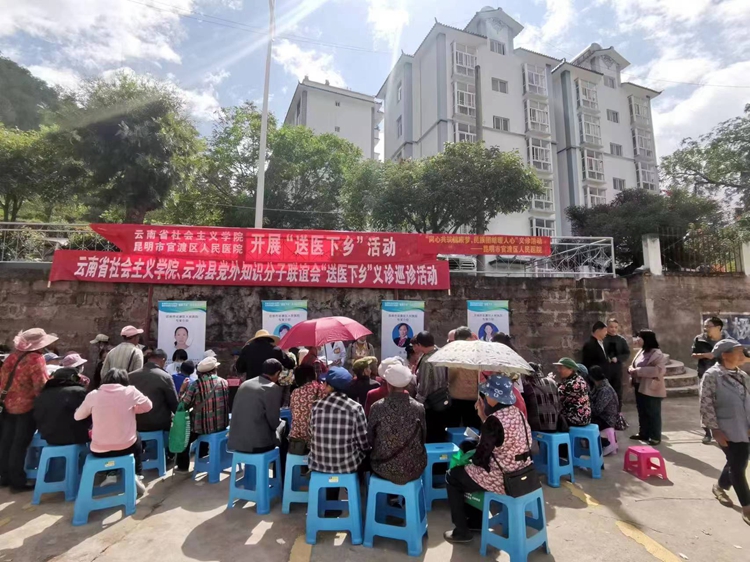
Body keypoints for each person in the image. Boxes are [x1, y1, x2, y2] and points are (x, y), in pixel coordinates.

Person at [444, 375, 534, 544]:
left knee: (454, 476)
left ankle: (462, 531)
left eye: (487, 394)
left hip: (503, 478)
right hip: (523, 473)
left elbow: (479, 459)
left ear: (494, 397)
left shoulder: (494, 420)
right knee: (471, 471)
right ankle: (476, 521)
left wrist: (471, 456)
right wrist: (482, 416)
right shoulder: (517, 414)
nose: (485, 397)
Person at [74, 368, 152, 495]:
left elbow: (78, 417)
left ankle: (110, 473)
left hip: (99, 450)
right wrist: (133, 409)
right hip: (126, 448)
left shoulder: (93, 395)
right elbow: (148, 406)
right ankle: (137, 474)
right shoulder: (130, 391)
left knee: (106, 444)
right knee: (136, 437)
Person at [700, 339, 750, 526]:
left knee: (735, 461)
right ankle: (747, 507)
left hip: (745, 427)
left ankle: (719, 487)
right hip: (726, 429)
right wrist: (715, 430)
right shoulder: (712, 376)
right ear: (725, 355)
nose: (742, 355)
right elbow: (706, 404)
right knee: (738, 466)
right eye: (738, 351)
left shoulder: (742, 375)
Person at [0, 328, 55, 492]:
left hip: (7, 404)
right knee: (20, 444)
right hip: (26, 407)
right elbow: (40, 386)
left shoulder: (12, 357)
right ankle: (17, 481)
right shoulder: (36, 359)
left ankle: (4, 477)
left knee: (6, 441)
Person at [368, 363, 427, 485]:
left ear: (388, 385)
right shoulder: (419, 408)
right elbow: (423, 438)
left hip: (383, 467)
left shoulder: (377, 407)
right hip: (414, 467)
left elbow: (370, 439)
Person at [308, 367, 369, 474]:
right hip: (347, 466)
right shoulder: (355, 408)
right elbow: (363, 442)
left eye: (324, 383)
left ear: (329, 387)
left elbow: (310, 433)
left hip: (318, 464)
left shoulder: (316, 406)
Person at [175, 356, 230, 473]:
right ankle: (202, 456)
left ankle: (183, 467)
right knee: (203, 425)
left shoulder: (196, 385)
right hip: (222, 425)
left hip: (203, 428)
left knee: (184, 436)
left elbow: (183, 405)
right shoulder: (224, 382)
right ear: (214, 369)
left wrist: (182, 390)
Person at [229, 359, 286, 462]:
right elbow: (274, 423)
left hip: (236, 442)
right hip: (258, 444)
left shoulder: (245, 384)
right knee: (285, 429)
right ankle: (282, 471)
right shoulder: (272, 388)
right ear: (277, 373)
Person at [629, 329, 667, 446]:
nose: (637, 340)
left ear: (646, 339)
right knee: (642, 411)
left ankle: (655, 436)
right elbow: (634, 364)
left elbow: (659, 370)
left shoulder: (657, 354)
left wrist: (637, 371)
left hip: (651, 387)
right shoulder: (642, 351)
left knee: (653, 412)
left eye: (639, 337)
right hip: (639, 385)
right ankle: (644, 433)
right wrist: (631, 369)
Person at [34, 366, 90, 446]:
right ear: (73, 377)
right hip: (75, 437)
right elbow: (88, 416)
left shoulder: (42, 394)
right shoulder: (78, 391)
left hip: (50, 438)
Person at [693, 316, 727, 444]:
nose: (705, 328)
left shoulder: (727, 340)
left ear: (718, 327)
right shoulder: (699, 339)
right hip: (705, 375)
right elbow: (693, 354)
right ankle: (708, 433)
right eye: (705, 326)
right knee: (706, 405)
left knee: (723, 404)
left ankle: (723, 432)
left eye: (708, 326)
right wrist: (704, 355)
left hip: (724, 376)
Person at [128, 349, 178, 434]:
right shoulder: (165, 377)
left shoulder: (131, 376)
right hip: (158, 425)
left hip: (135, 424)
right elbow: (174, 403)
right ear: (163, 360)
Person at [413, 331, 450, 443]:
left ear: (420, 345)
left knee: (432, 434)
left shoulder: (426, 361)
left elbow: (424, 386)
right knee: (441, 432)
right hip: (443, 398)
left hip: (431, 403)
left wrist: (417, 403)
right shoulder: (442, 353)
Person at [288, 364, 328, 455]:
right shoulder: (323, 389)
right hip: (317, 441)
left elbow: (293, 412)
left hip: (297, 442)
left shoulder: (295, 392)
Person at [447, 326, 481, 429]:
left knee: (455, 428)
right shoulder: (478, 352)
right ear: (471, 336)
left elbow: (450, 375)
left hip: (456, 396)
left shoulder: (454, 353)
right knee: (473, 429)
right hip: (474, 397)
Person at [522, 363, 563, 433]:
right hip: (555, 424)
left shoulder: (527, 386)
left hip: (537, 426)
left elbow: (524, 406)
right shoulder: (552, 382)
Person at [589, 365, 619, 456]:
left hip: (607, 419)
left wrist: (588, 401)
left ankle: (607, 444)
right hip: (603, 416)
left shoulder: (605, 390)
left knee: (584, 424)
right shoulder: (598, 386)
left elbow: (597, 409)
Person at [554, 357, 591, 427]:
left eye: (561, 368)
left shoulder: (571, 384)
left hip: (576, 418)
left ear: (570, 369)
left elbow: (555, 397)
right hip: (585, 417)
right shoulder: (579, 379)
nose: (559, 371)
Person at [603, 317, 630, 410]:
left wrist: (618, 358)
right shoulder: (603, 339)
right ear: (607, 327)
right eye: (611, 327)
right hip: (605, 368)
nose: (613, 329)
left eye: (615, 327)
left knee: (617, 389)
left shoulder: (621, 340)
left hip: (617, 369)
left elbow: (626, 353)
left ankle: (618, 410)